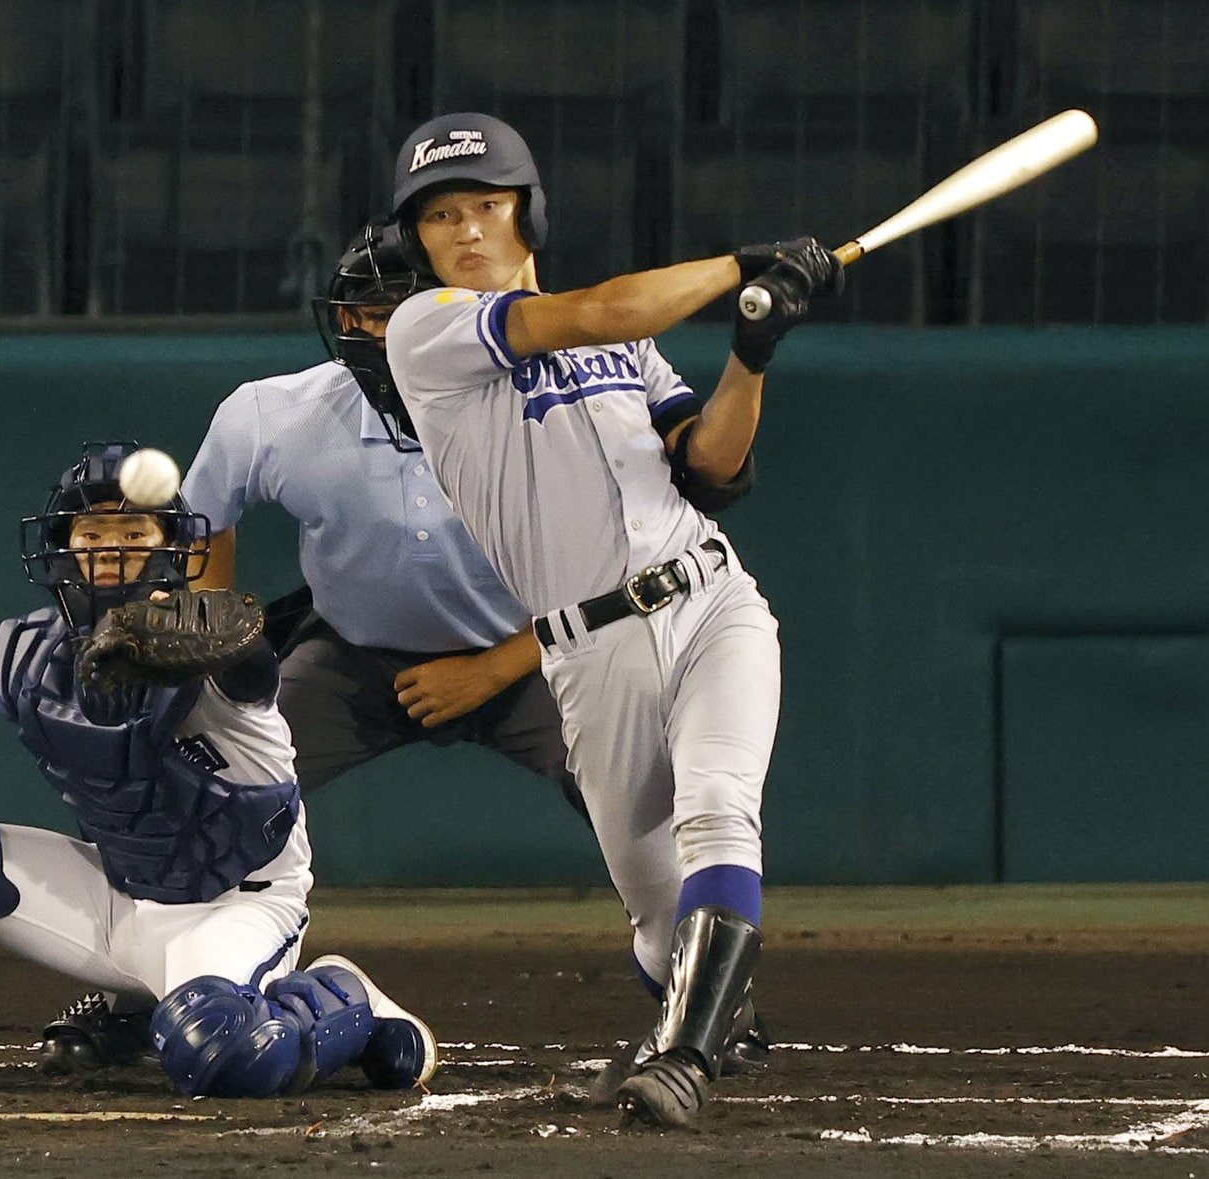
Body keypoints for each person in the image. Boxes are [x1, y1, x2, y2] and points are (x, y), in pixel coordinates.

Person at [379, 113, 842, 1127]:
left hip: (712, 601)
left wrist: (752, 353)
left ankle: (681, 1056)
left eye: (485, 205)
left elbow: (712, 467)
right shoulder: (426, 332)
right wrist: (739, 264)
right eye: (440, 216)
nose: (463, 230)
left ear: (527, 209)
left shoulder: (629, 336)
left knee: (721, 808)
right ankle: (714, 1005)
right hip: (589, 654)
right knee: (657, 916)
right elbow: (586, 316)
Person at [0, 442, 436, 1099]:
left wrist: (182, 646)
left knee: (226, 1051)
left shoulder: (219, 647)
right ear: (63, 545)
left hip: (235, 902)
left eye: (132, 529)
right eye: (94, 530)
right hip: (117, 895)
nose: (111, 546)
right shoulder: (24, 656)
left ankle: (343, 995)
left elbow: (247, 658)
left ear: (170, 546)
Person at [180, 221, 587, 817]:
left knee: (632, 781)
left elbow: (616, 575)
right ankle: (200, 912)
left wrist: (492, 671)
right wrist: (209, 634)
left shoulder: (555, 410)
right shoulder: (275, 414)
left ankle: (699, 910)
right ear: (346, 321)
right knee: (213, 788)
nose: (404, 335)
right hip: (351, 657)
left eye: (426, 312)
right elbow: (202, 518)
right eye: (380, 313)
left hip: (528, 650)